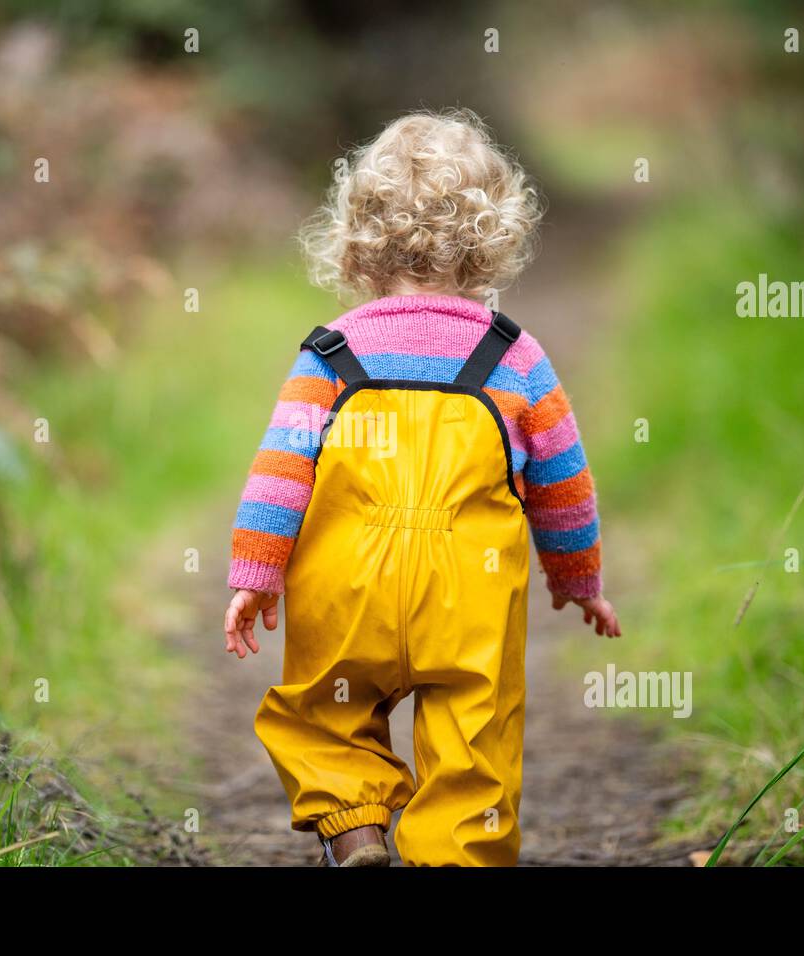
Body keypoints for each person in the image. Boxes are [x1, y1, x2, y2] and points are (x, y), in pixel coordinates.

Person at [223, 109, 620, 867]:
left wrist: (256, 572)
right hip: (465, 604)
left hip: (347, 596)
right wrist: (578, 578)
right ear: (490, 239)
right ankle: (454, 855)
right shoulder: (515, 358)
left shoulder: (329, 355)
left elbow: (279, 469)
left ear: (357, 239)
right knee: (474, 743)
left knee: (322, 716)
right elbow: (564, 483)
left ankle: (358, 829)